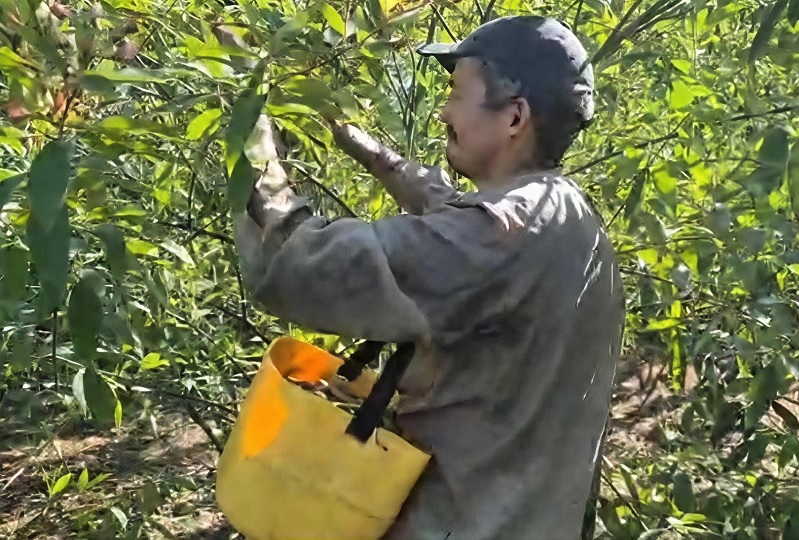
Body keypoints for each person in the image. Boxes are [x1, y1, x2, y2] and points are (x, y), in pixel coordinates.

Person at [233, 14, 625, 540]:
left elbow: (302, 262)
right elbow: (447, 201)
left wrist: (251, 137)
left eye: (457, 94)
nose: (444, 111)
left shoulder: (495, 237)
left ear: (514, 117)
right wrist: (353, 139)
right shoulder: (564, 215)